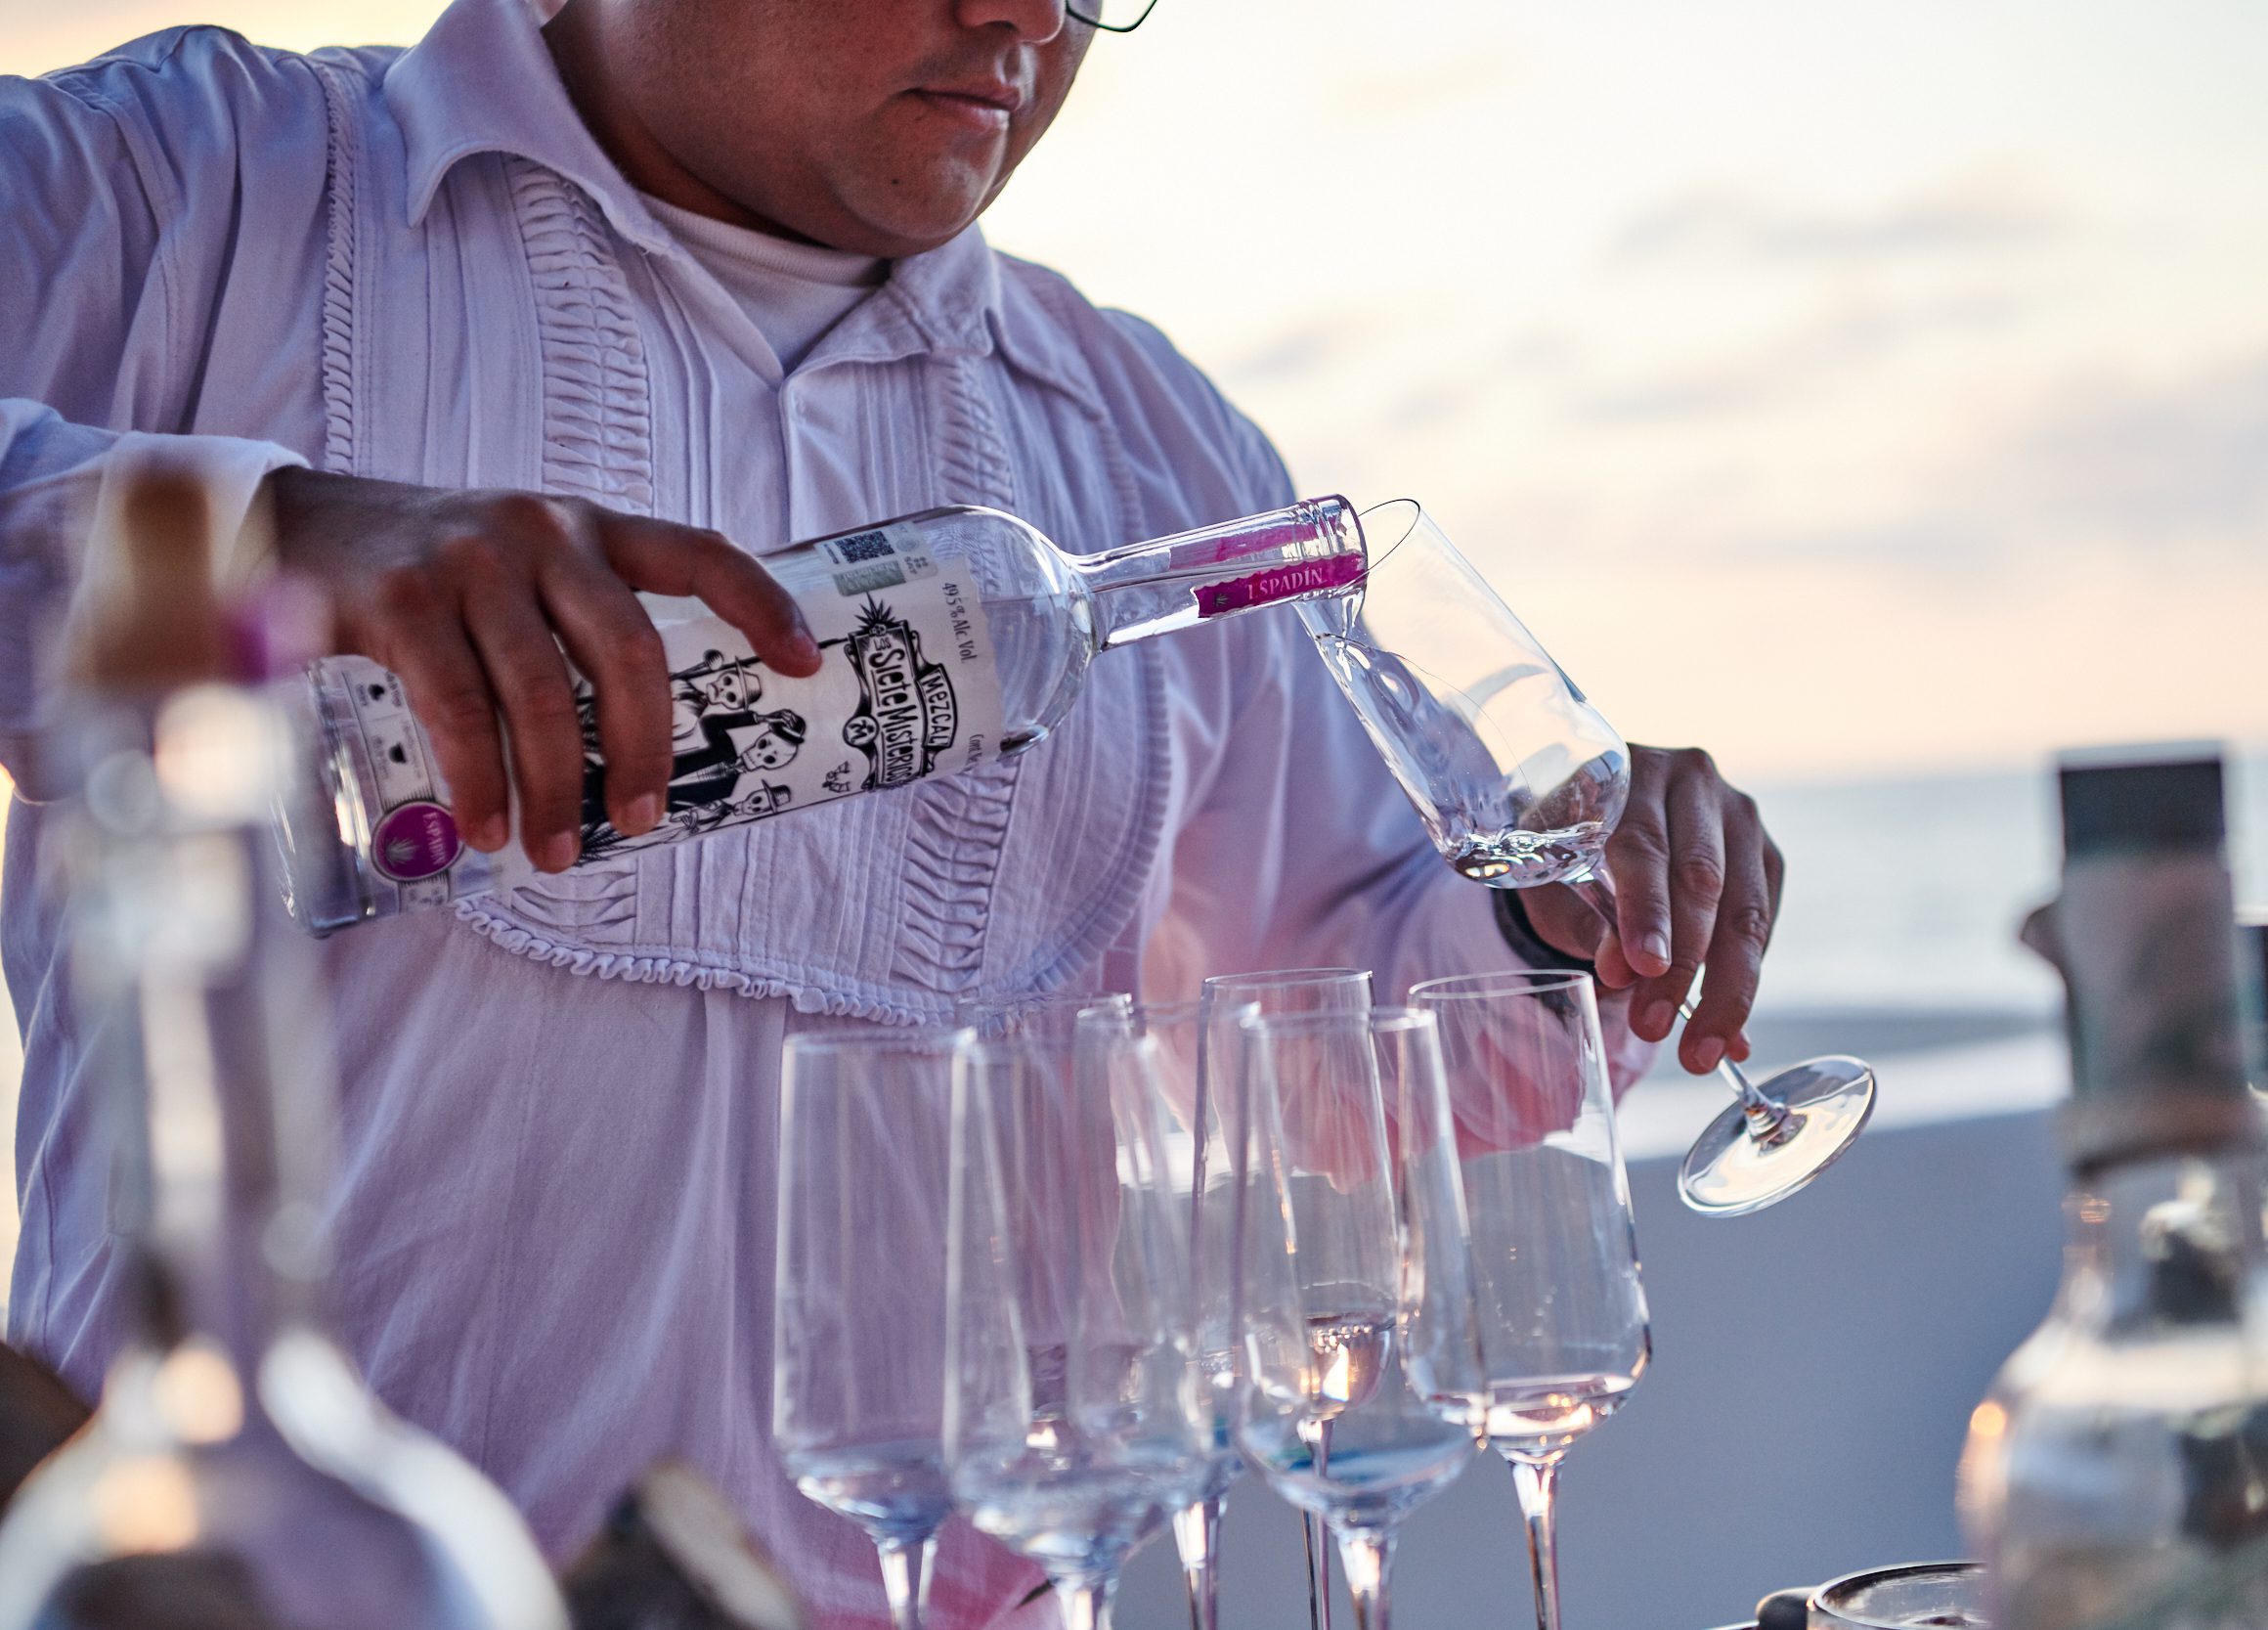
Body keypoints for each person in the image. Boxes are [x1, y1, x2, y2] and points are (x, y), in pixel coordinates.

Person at [0, 0, 1785, 1621]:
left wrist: (1565, 914)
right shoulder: (199, 191)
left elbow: (1363, 1058)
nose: (1025, 17)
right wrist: (254, 533)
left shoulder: (1149, 446)